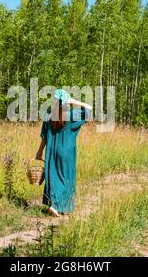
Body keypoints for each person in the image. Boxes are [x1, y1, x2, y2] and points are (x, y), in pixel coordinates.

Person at [35, 89, 92, 217]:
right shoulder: (72, 116)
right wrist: (74, 101)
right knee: (66, 177)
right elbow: (89, 109)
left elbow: (44, 136)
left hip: (51, 150)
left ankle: (53, 204)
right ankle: (57, 206)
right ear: (67, 103)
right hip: (66, 151)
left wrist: (39, 152)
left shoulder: (49, 116)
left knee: (53, 176)